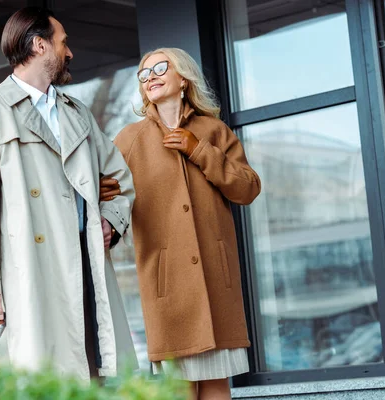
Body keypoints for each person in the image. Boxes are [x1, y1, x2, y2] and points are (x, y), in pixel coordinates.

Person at [0, 7, 137, 382]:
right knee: (44, 380)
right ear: (39, 45)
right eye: (62, 43)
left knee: (97, 375)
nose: (69, 53)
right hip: (29, 275)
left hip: (85, 269)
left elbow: (119, 176)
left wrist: (110, 223)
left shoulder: (77, 114)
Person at [111, 48, 261, 399]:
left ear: (183, 78)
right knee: (179, 391)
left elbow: (248, 188)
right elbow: (108, 194)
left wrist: (199, 150)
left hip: (215, 284)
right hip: (169, 291)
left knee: (216, 388)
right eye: (143, 74)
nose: (150, 77)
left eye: (160, 68)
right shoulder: (130, 140)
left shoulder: (213, 130)